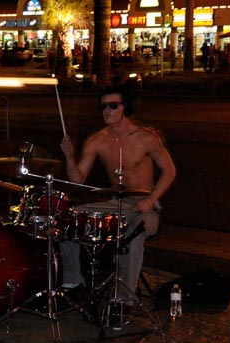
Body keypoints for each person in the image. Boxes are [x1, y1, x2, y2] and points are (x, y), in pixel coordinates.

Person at [59, 84, 176, 322]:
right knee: (68, 218)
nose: (107, 111)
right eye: (103, 106)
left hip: (144, 204)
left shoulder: (145, 137)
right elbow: (77, 179)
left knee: (134, 236)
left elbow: (170, 171)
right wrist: (69, 156)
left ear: (127, 107)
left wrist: (151, 199)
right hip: (116, 203)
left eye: (113, 105)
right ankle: (73, 282)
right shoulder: (97, 140)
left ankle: (123, 301)